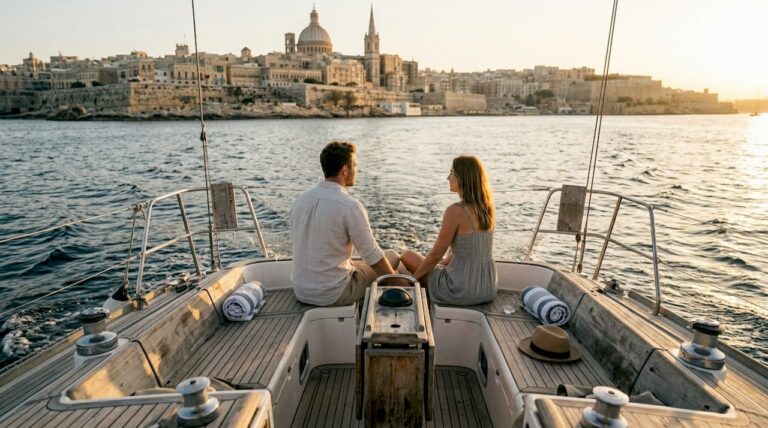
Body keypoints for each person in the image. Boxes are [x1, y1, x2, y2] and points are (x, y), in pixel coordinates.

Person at [290, 141, 400, 306]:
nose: (356, 170)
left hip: (301, 289)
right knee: (393, 257)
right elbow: (373, 255)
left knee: (359, 265)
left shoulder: (301, 199)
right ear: (345, 169)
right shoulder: (349, 205)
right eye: (355, 165)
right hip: (332, 293)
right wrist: (401, 287)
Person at [401, 155, 497, 305]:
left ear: (462, 179)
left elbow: (435, 255)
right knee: (440, 264)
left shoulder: (455, 211)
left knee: (407, 256)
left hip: (461, 290)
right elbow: (465, 249)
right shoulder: (487, 209)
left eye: (452, 173)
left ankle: (418, 292)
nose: (448, 177)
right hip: (487, 288)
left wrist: (414, 279)